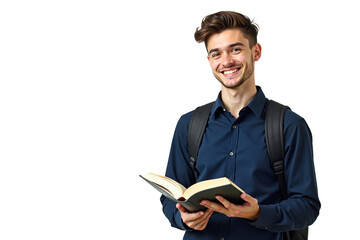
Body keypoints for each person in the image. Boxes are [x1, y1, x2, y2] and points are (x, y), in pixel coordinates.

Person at [160, 11, 320, 239]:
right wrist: (181, 218)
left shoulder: (289, 126)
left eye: (235, 49)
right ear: (209, 61)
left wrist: (258, 213)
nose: (226, 62)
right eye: (216, 54)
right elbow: (170, 197)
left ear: (256, 52)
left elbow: (307, 206)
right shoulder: (189, 124)